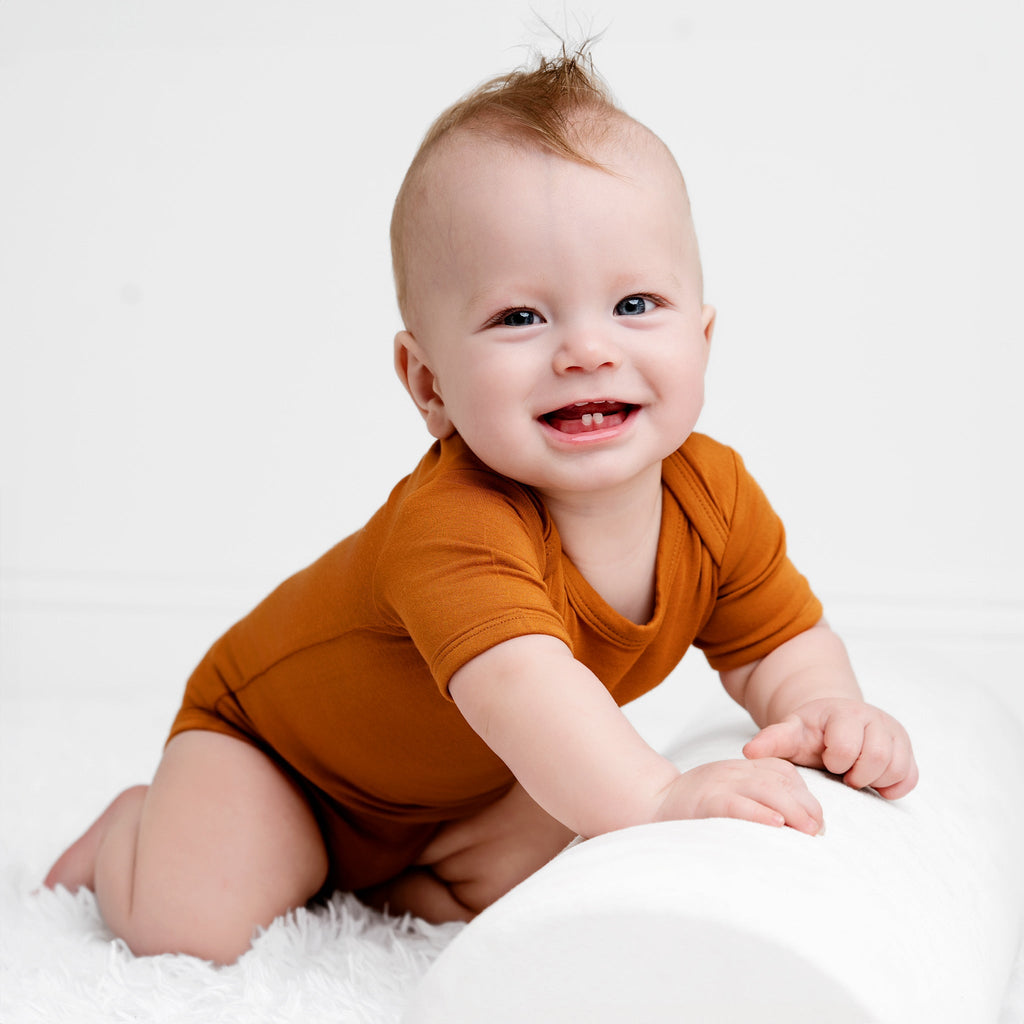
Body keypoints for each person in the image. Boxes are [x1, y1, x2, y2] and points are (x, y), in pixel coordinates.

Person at [44, 47, 918, 964]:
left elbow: (774, 642)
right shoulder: (454, 524)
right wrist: (658, 798)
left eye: (634, 303)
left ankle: (374, 882)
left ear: (702, 337)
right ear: (429, 383)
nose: (586, 350)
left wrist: (825, 711)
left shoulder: (715, 499)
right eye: (520, 318)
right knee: (190, 928)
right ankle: (130, 834)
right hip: (281, 764)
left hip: (461, 793)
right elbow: (522, 689)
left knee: (532, 881)